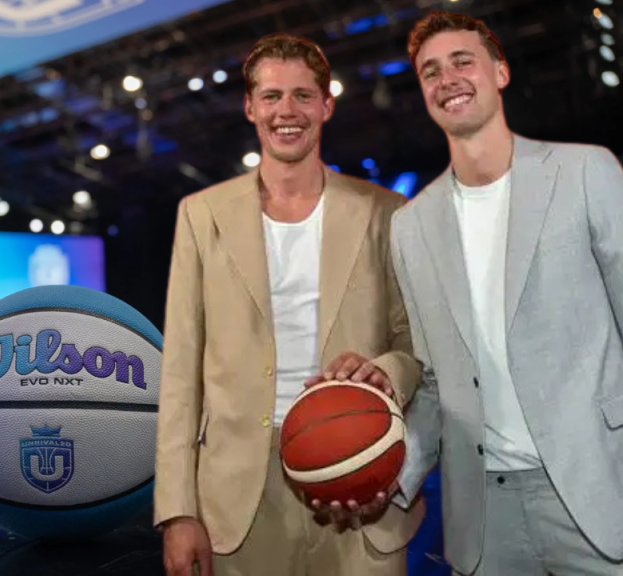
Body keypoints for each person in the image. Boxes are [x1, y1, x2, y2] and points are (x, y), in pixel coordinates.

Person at [153, 33, 426, 576]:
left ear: (326, 105)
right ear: (250, 107)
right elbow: (181, 371)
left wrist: (387, 373)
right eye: (272, 96)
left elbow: (415, 341)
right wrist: (178, 511)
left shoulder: (386, 211)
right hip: (239, 497)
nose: (287, 111)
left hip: (358, 471)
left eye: (303, 95)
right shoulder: (201, 215)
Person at [389, 10, 623, 575]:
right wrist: (390, 478)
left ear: (500, 72)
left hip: (598, 492)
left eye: (462, 61)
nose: (447, 79)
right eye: (430, 71)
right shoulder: (410, 225)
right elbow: (435, 380)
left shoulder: (586, 170)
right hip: (483, 518)